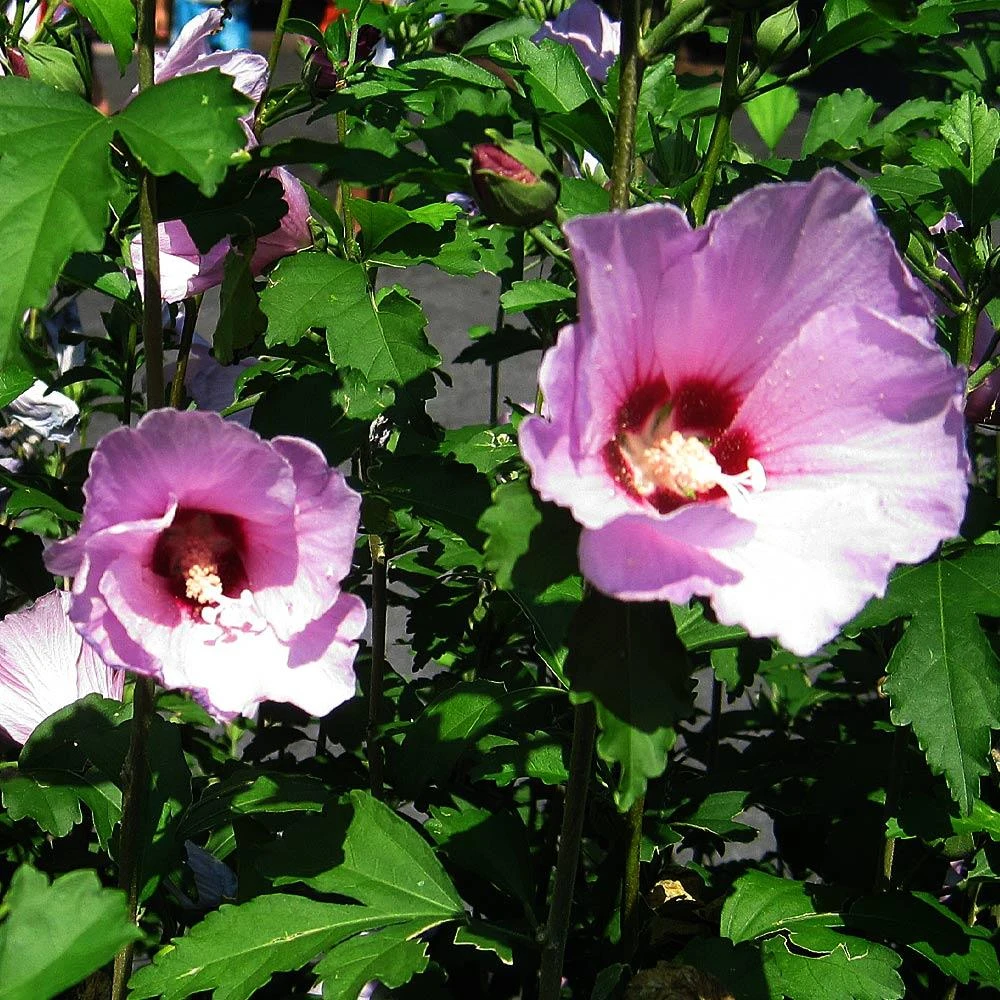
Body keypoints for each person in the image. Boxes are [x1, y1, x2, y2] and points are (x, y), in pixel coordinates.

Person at [158, 0, 251, 50]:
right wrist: (160, 8)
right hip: (190, 5)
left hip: (234, 9)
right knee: (183, 67)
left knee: (237, 72)